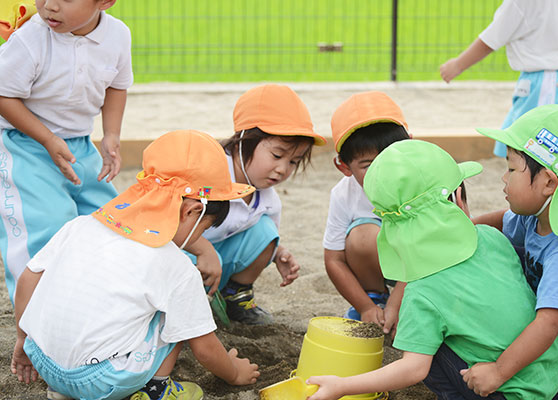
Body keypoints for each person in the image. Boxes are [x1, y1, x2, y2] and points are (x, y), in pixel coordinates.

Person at [10, 130, 260, 400]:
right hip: (102, 380)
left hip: (43, 361)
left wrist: (23, 339)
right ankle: (156, 389)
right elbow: (204, 347)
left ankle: (63, 391)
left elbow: (29, 278)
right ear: (191, 211)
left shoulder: (83, 225)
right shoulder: (175, 264)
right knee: (175, 311)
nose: (198, 238)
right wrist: (235, 373)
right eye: (204, 229)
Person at [306, 140, 558, 400]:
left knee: (423, 342)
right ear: (458, 199)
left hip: (508, 391)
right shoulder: (490, 237)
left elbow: (413, 369)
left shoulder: (421, 291)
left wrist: (342, 386)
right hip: (548, 371)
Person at [0, 0, 133, 305]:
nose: (49, 6)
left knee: (109, 220)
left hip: (79, 146)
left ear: (106, 2)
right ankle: (36, 315)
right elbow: (3, 94)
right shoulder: (31, 38)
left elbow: (117, 86)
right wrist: (46, 139)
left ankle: (90, 300)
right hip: (24, 147)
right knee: (46, 223)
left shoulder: (117, 35)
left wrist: (111, 134)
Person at [466, 104, 558, 399]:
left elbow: (549, 322)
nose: (503, 178)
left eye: (512, 168)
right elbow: (503, 221)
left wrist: (498, 371)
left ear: (549, 182)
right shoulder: (537, 213)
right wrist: (466, 227)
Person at [195, 84, 326, 325]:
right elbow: (169, 226)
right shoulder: (208, 172)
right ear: (242, 142)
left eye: (294, 162)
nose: (282, 169)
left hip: (217, 266)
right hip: (183, 259)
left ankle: (236, 295)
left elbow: (266, 239)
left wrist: (279, 254)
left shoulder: (267, 197)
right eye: (277, 155)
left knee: (267, 232)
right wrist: (202, 250)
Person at [439, 0, 558, 158]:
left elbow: (490, 40)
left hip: (544, 83)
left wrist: (458, 65)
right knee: (535, 144)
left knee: (532, 149)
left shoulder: (519, 3)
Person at [323, 91, 409, 333]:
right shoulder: (343, 195)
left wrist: (398, 302)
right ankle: (376, 297)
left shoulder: (422, 183)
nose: (384, 171)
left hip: (427, 268)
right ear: (343, 166)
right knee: (362, 235)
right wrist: (365, 306)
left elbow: (430, 253)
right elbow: (334, 259)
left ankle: (406, 305)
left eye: (392, 157)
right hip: (385, 265)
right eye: (369, 165)